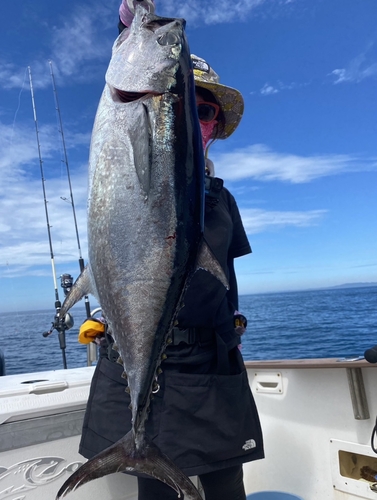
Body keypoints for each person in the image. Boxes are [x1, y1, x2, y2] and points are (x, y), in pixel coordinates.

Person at [78, 2, 264, 499]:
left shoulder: (222, 200)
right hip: (134, 363)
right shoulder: (139, 107)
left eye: (209, 112)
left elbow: (225, 278)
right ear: (175, 106)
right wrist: (130, 24)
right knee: (155, 495)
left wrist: (234, 331)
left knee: (227, 487)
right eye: (193, 104)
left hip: (212, 368)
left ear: (215, 126)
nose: (201, 116)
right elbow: (135, 69)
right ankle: (136, 439)